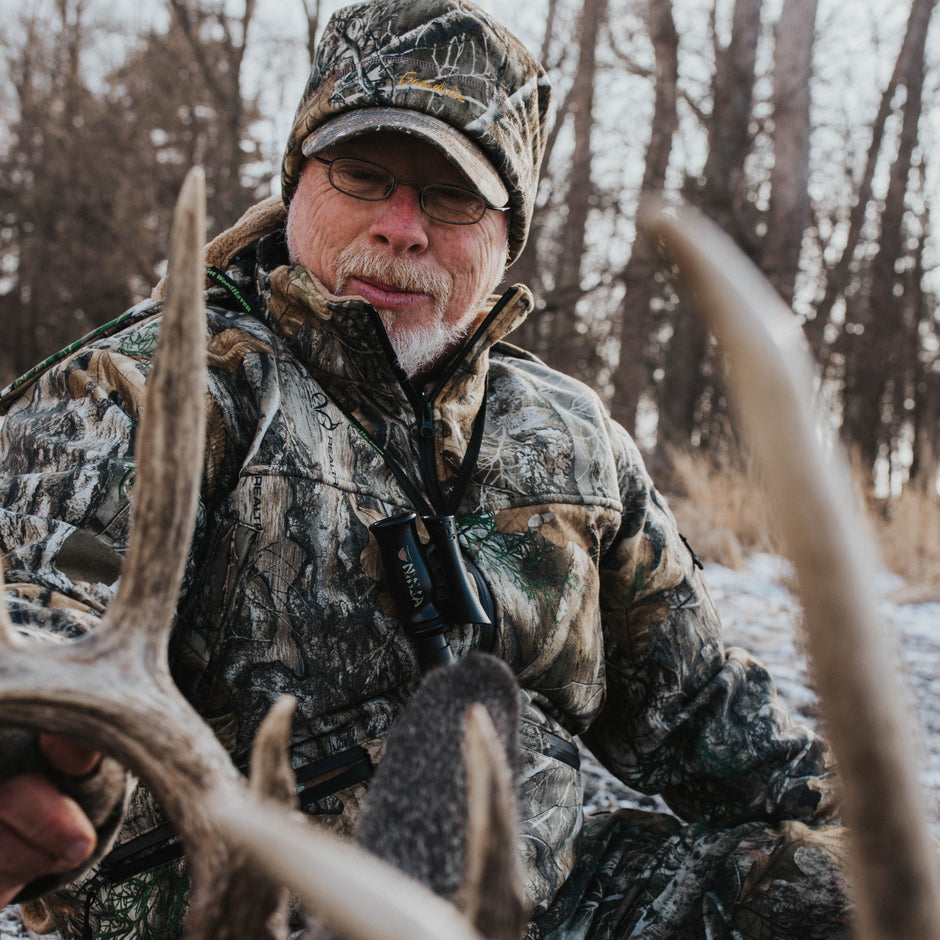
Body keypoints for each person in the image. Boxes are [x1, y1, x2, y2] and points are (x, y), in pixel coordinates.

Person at [0, 0, 851, 936]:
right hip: (255, 904)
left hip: (561, 893)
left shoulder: (573, 438)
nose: (402, 229)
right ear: (299, 185)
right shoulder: (143, 389)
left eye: (452, 198)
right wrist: (44, 756)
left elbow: (702, 715)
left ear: (505, 233)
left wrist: (862, 837)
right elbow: (47, 616)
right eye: (362, 174)